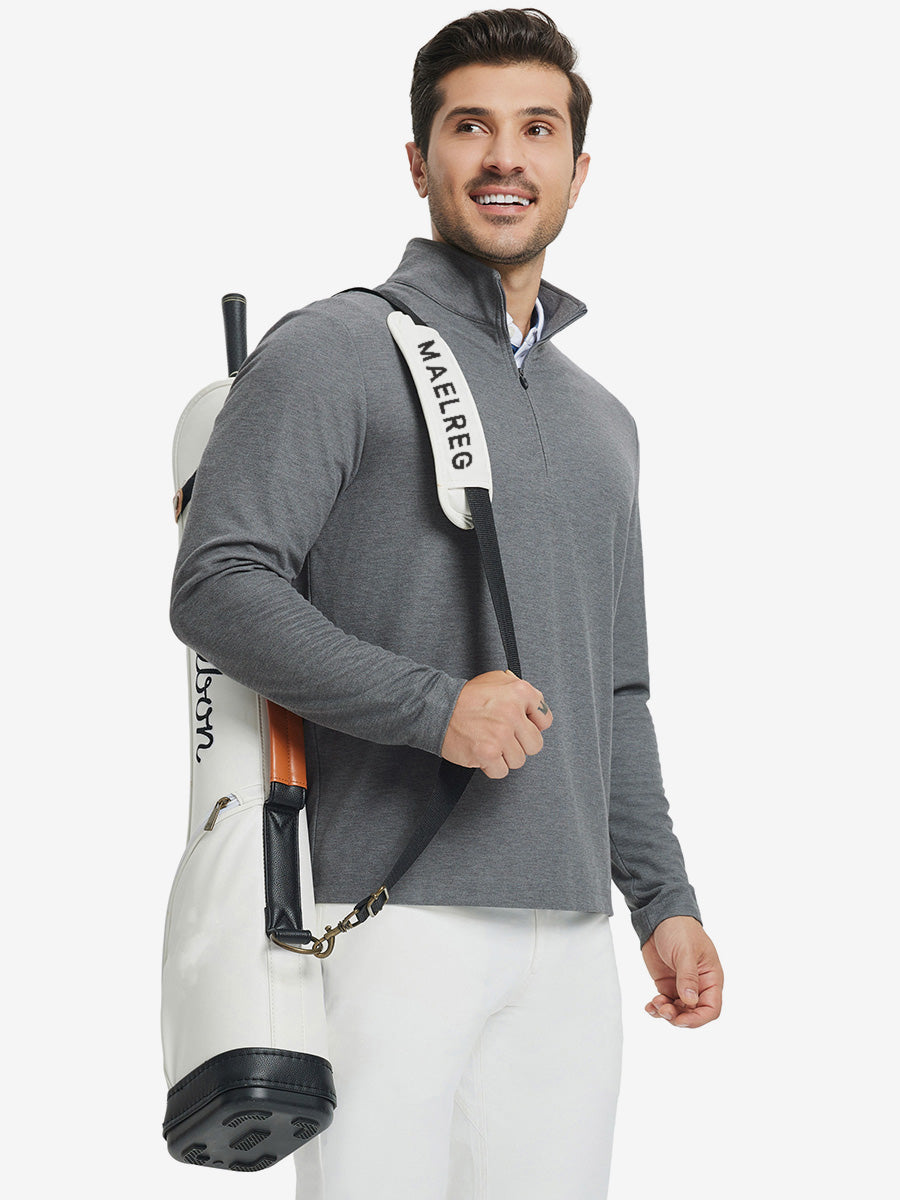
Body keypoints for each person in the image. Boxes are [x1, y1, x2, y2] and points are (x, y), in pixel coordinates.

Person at [170, 7, 724, 1197]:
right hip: (385, 913)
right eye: (471, 127)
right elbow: (218, 583)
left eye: (538, 129)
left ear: (579, 169)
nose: (504, 157)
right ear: (419, 161)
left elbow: (615, 687)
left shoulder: (604, 420)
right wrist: (435, 708)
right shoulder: (336, 348)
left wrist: (661, 900)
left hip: (568, 933)